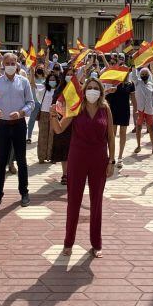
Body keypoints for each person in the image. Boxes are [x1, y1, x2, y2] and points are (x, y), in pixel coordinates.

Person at [52, 76, 114, 258]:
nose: (92, 91)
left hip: (99, 159)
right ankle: (68, 242)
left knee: (97, 203)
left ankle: (96, 243)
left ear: (101, 92)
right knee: (74, 201)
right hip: (77, 158)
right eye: (89, 87)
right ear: (84, 90)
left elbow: (111, 137)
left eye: (96, 88)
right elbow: (59, 129)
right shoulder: (76, 107)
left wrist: (112, 162)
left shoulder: (105, 109)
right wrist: (54, 115)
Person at [0, 52, 34, 209]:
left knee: (21, 160)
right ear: (2, 64)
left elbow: (31, 103)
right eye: (7, 63)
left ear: (17, 64)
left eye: (12, 63)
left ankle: (24, 192)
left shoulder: (24, 82)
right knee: (1, 161)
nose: (10, 65)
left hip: (19, 125)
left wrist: (21, 112)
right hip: (2, 125)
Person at [105, 75, 134, 166]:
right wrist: (109, 90)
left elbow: (133, 98)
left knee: (123, 133)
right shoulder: (113, 82)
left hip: (125, 111)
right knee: (112, 134)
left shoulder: (130, 84)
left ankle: (120, 157)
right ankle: (111, 156)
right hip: (113, 111)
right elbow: (104, 96)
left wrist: (136, 109)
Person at [131, 64, 153, 155]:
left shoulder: (151, 85)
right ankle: (138, 146)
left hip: (149, 110)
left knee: (151, 129)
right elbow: (134, 76)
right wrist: (134, 66)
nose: (144, 75)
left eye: (146, 74)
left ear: (149, 75)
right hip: (140, 110)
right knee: (138, 128)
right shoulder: (138, 82)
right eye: (142, 74)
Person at [36, 68, 62, 164]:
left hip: (55, 114)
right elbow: (33, 85)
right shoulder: (44, 90)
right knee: (43, 135)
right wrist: (31, 71)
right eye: (50, 79)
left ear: (57, 81)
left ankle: (52, 156)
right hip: (44, 113)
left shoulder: (59, 91)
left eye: (53, 79)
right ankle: (41, 157)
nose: (52, 81)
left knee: (53, 135)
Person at [26, 65, 46, 143]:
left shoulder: (45, 79)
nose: (40, 70)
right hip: (35, 103)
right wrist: (32, 72)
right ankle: (29, 137)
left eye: (41, 69)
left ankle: (41, 137)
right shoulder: (33, 79)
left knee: (42, 121)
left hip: (44, 104)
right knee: (32, 120)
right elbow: (32, 84)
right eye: (38, 69)